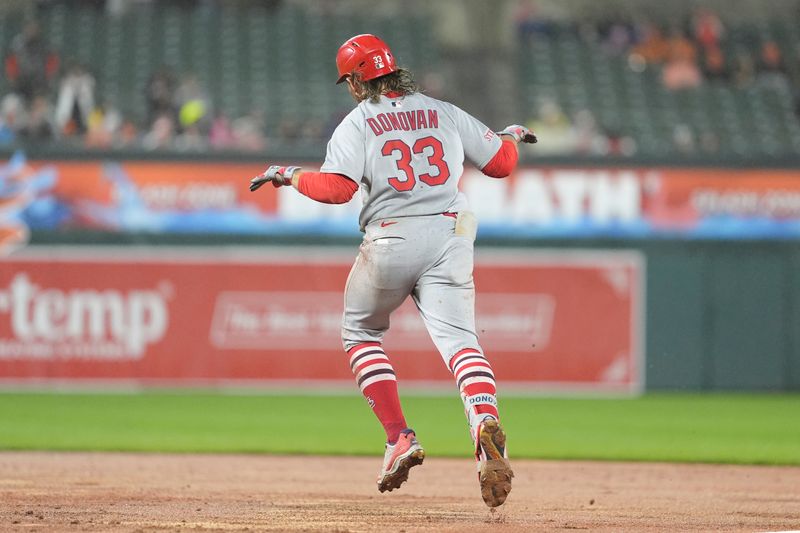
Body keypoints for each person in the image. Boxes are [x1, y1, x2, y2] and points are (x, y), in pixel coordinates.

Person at [249, 34, 537, 508]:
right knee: (463, 344)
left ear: (360, 79)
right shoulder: (443, 111)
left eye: (349, 79)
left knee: (360, 332)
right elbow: (502, 163)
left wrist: (289, 174)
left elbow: (337, 190)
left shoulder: (358, 122)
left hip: (391, 237)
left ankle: (398, 438)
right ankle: (484, 422)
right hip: (450, 235)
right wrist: (507, 135)